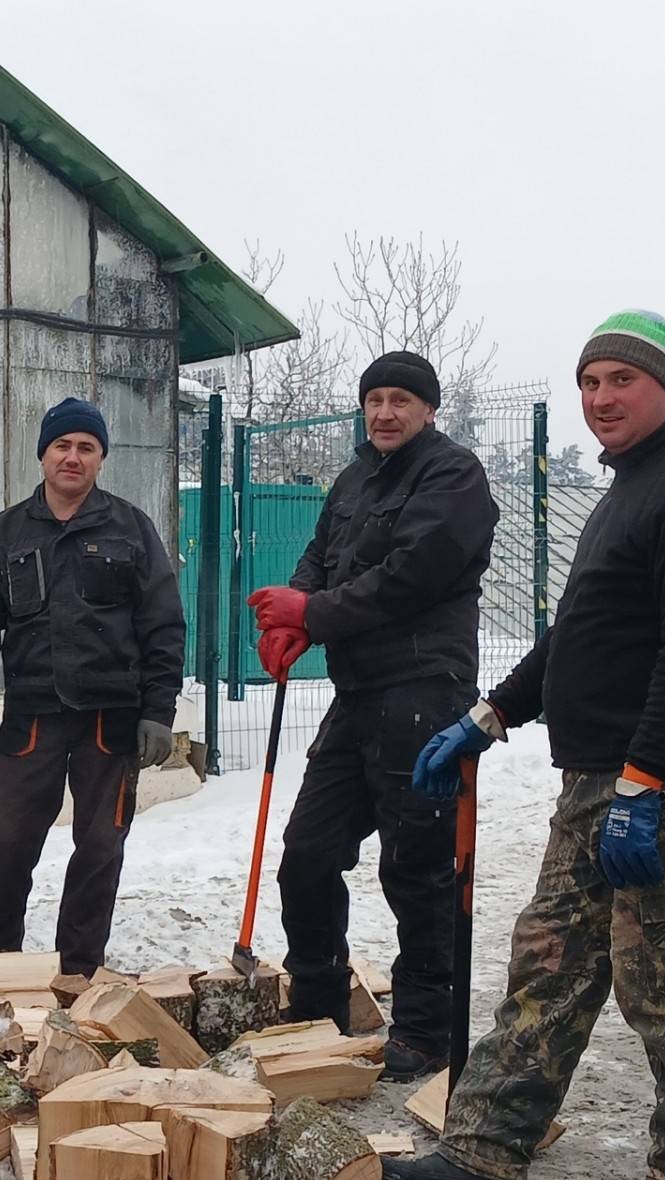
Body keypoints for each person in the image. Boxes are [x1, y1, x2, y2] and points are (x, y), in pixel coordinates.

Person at [381, 310, 665, 1180]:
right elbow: (580, 636)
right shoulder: (630, 489)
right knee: (550, 964)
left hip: (664, 775)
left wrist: (645, 778)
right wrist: (492, 714)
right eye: (589, 383)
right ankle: (482, 1158)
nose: (600, 400)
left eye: (620, 382)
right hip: (601, 775)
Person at [247, 351, 497, 1080]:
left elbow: (413, 576)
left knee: (416, 867)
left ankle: (426, 1029)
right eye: (375, 399)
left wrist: (315, 614)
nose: (385, 412)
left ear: (428, 410)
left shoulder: (454, 477)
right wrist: (291, 619)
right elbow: (319, 557)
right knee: (308, 852)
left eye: (401, 401)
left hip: (424, 691)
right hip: (358, 695)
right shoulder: (355, 479)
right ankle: (319, 1006)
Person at [0, 397, 186, 977]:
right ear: (44, 454)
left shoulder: (132, 529)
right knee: (2, 843)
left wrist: (158, 710)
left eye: (86, 447)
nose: (72, 457)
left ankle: (78, 971)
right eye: (62, 446)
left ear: (101, 458)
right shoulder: (1, 534)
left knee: (100, 848)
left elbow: (163, 624)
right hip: (32, 717)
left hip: (112, 718)